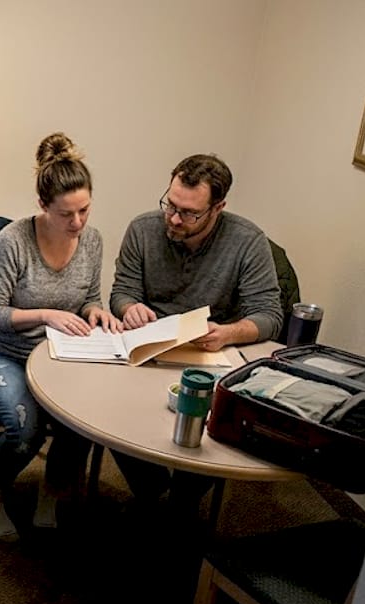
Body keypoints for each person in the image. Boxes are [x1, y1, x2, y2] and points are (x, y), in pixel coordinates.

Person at [0, 132, 121, 542]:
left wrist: (95, 311)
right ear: (42, 206)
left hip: (57, 354)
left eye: (84, 210)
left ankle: (52, 489)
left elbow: (89, 297)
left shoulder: (92, 240)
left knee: (82, 420)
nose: (78, 223)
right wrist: (49, 314)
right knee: (25, 427)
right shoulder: (13, 241)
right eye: (66, 214)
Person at [108, 153, 282, 509]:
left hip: (212, 358)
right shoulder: (142, 229)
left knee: (219, 429)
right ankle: (154, 493)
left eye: (189, 213)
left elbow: (269, 315)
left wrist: (229, 332)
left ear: (218, 208)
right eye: (170, 204)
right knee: (109, 415)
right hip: (150, 351)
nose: (174, 218)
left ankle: (183, 502)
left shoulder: (248, 241)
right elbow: (121, 292)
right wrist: (130, 308)